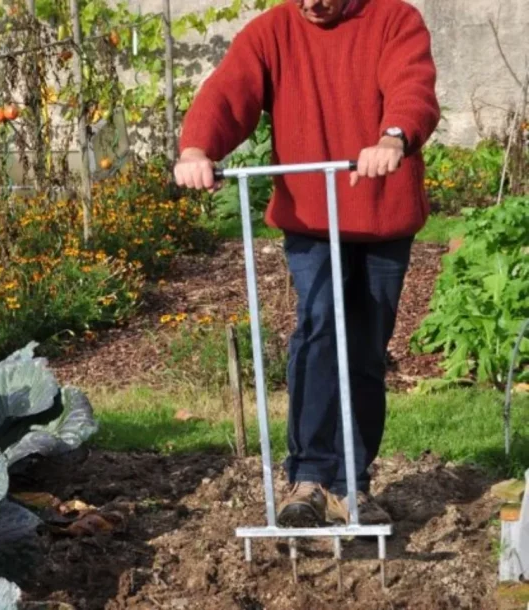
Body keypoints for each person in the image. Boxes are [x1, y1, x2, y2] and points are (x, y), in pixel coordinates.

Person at [174, 0, 440, 527]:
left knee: (365, 347)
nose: (312, 4)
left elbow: (413, 86)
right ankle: (309, 477)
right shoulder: (272, 31)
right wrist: (197, 149)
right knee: (319, 331)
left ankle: (351, 483)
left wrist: (394, 136)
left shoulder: (394, 19)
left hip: (383, 214)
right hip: (311, 218)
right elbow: (230, 92)